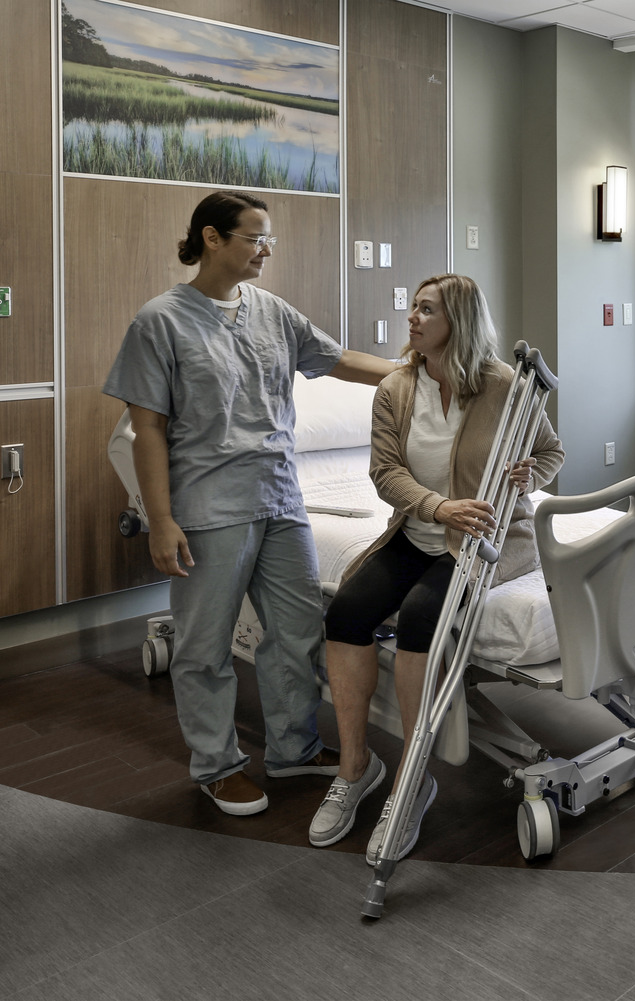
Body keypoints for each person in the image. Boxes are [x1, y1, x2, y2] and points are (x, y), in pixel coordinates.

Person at [103, 190, 396, 816]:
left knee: (295, 632)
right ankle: (216, 764)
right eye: (255, 237)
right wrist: (160, 520)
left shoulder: (271, 312)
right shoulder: (161, 320)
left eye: (269, 238)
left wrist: (416, 369)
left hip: (282, 500)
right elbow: (146, 428)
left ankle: (294, 748)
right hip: (210, 507)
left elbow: (338, 358)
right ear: (212, 238)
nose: (266, 250)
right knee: (204, 647)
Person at [310, 273, 564, 863]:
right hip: (416, 532)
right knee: (347, 613)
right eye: (413, 309)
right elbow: (385, 474)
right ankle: (355, 768)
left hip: (480, 540)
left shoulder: (507, 386)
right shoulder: (396, 389)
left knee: (424, 614)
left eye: (427, 310)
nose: (413, 319)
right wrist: (437, 505)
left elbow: (553, 450)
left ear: (459, 321)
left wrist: (533, 473)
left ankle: (410, 781)